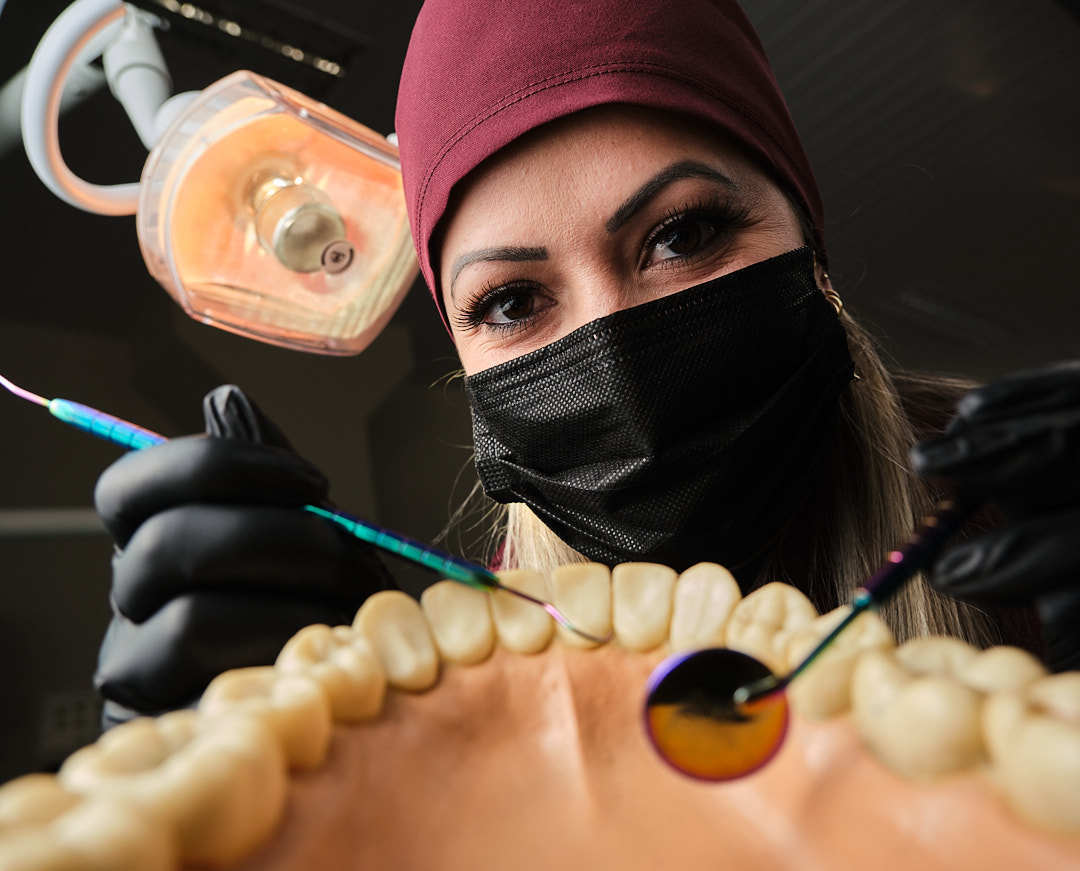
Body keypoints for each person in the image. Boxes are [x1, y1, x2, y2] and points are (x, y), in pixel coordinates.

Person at [92, 0, 1080, 726]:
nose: (620, 354)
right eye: (514, 302)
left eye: (683, 234)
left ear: (807, 242)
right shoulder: (476, 694)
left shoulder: (1032, 522)